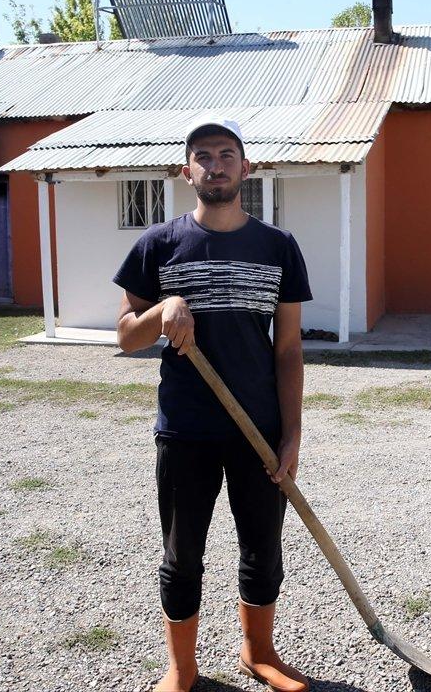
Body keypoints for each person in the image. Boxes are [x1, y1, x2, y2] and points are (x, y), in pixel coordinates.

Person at [112, 116, 312, 692]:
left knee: (263, 546)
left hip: (258, 428)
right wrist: (160, 311)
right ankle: (182, 664)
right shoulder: (158, 245)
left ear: (246, 168)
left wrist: (292, 435)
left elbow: (290, 348)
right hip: (186, 429)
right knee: (182, 553)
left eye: (227, 154)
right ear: (187, 170)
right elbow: (126, 335)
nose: (216, 164)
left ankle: (259, 653)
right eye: (204, 155)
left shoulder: (278, 247)